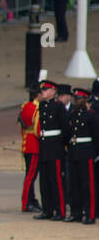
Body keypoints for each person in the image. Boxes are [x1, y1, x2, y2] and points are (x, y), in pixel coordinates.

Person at [35, 81, 67, 221]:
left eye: (46, 90)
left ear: (53, 91)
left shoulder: (58, 107)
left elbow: (65, 128)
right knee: (45, 181)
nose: (43, 92)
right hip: (44, 146)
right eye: (42, 90)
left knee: (56, 181)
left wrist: (61, 144)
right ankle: (47, 209)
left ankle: (60, 210)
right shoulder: (42, 106)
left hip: (55, 147)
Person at [65, 88, 96, 224]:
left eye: (78, 99)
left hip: (86, 152)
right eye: (75, 99)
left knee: (87, 185)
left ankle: (90, 213)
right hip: (74, 152)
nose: (76, 101)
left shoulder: (91, 115)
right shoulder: (72, 115)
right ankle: (76, 212)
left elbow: (96, 135)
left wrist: (96, 153)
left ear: (84, 100)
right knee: (74, 184)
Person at [19, 87, 41, 213]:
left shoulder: (25, 106)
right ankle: (26, 202)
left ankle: (31, 200)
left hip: (27, 144)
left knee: (30, 175)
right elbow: (38, 130)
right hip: (34, 146)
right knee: (30, 176)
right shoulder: (35, 108)